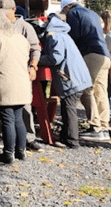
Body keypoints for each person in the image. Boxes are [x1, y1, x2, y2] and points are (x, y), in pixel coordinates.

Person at [0, 9, 32, 164]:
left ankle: (8, 153)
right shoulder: (20, 38)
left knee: (7, 119)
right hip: (22, 82)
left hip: (4, 82)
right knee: (18, 118)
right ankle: (21, 151)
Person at [61, 0, 111, 141]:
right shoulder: (92, 13)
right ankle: (104, 126)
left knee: (85, 89)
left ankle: (94, 126)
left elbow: (74, 35)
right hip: (104, 54)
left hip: (90, 53)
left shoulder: (73, 13)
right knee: (100, 91)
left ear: (67, 7)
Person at [39, 13, 92, 148]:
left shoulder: (53, 35)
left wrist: (37, 60)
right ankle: (66, 136)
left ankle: (72, 140)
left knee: (69, 108)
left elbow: (56, 57)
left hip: (70, 78)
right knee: (66, 106)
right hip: (79, 76)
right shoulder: (62, 33)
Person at [0, 0, 43, 152]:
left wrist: (33, 66)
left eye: (6, 12)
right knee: (7, 112)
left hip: (22, 70)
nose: (3, 15)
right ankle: (10, 140)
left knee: (24, 108)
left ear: (13, 10)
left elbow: (35, 48)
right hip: (3, 72)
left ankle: (28, 138)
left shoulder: (25, 26)